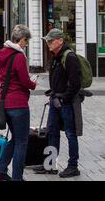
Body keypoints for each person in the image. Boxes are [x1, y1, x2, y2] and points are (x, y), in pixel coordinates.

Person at [33, 29, 82, 178]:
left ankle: (73, 166)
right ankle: (50, 164)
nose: (48, 43)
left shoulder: (70, 57)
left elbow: (75, 84)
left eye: (51, 40)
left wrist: (63, 99)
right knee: (52, 132)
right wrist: (53, 93)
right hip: (55, 100)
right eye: (47, 40)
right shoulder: (55, 56)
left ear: (60, 40)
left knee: (70, 133)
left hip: (65, 102)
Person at [0, 25, 36, 181]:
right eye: (26, 41)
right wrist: (33, 84)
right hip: (18, 104)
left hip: (5, 103)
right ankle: (18, 177)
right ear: (21, 39)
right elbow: (24, 80)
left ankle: (0, 171)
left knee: (15, 139)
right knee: (22, 142)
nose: (26, 44)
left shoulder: (2, 53)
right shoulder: (18, 56)